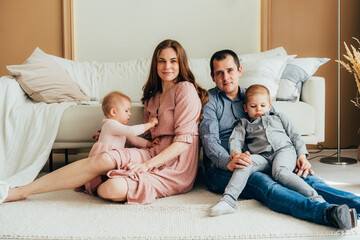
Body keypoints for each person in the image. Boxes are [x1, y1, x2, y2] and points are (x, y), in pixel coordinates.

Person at [4, 39, 209, 205]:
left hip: (175, 165)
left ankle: (112, 178)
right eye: (162, 61)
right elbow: (146, 138)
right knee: (102, 159)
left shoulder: (186, 90)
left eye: (173, 61)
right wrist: (115, 138)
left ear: (181, 63)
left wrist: (146, 165)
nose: (167, 66)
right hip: (150, 152)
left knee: (111, 189)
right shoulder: (152, 97)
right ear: (155, 64)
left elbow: (183, 143)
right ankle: (21, 192)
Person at [199, 49, 358, 229]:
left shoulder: (253, 94)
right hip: (223, 167)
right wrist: (229, 161)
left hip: (263, 157)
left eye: (230, 70)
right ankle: (327, 213)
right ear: (212, 76)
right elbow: (208, 139)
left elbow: (277, 128)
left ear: (239, 71)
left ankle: (357, 205)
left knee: (305, 178)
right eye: (219, 73)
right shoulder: (209, 101)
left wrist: (297, 155)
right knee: (265, 183)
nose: (225, 77)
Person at [210, 84, 326, 217]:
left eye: (263, 106)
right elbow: (235, 140)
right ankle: (229, 200)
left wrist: (302, 155)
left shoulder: (279, 117)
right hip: (262, 156)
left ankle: (315, 198)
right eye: (253, 106)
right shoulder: (243, 123)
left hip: (284, 151)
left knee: (280, 172)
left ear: (269, 106)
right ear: (245, 108)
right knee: (244, 163)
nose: (258, 109)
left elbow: (295, 136)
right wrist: (236, 153)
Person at [76, 90, 159, 194]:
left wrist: (149, 144)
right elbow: (132, 131)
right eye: (126, 111)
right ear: (113, 112)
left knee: (111, 176)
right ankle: (94, 187)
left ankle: (105, 187)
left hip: (113, 157)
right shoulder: (110, 124)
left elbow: (134, 140)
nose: (130, 114)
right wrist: (150, 124)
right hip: (104, 157)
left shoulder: (119, 128)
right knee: (97, 175)